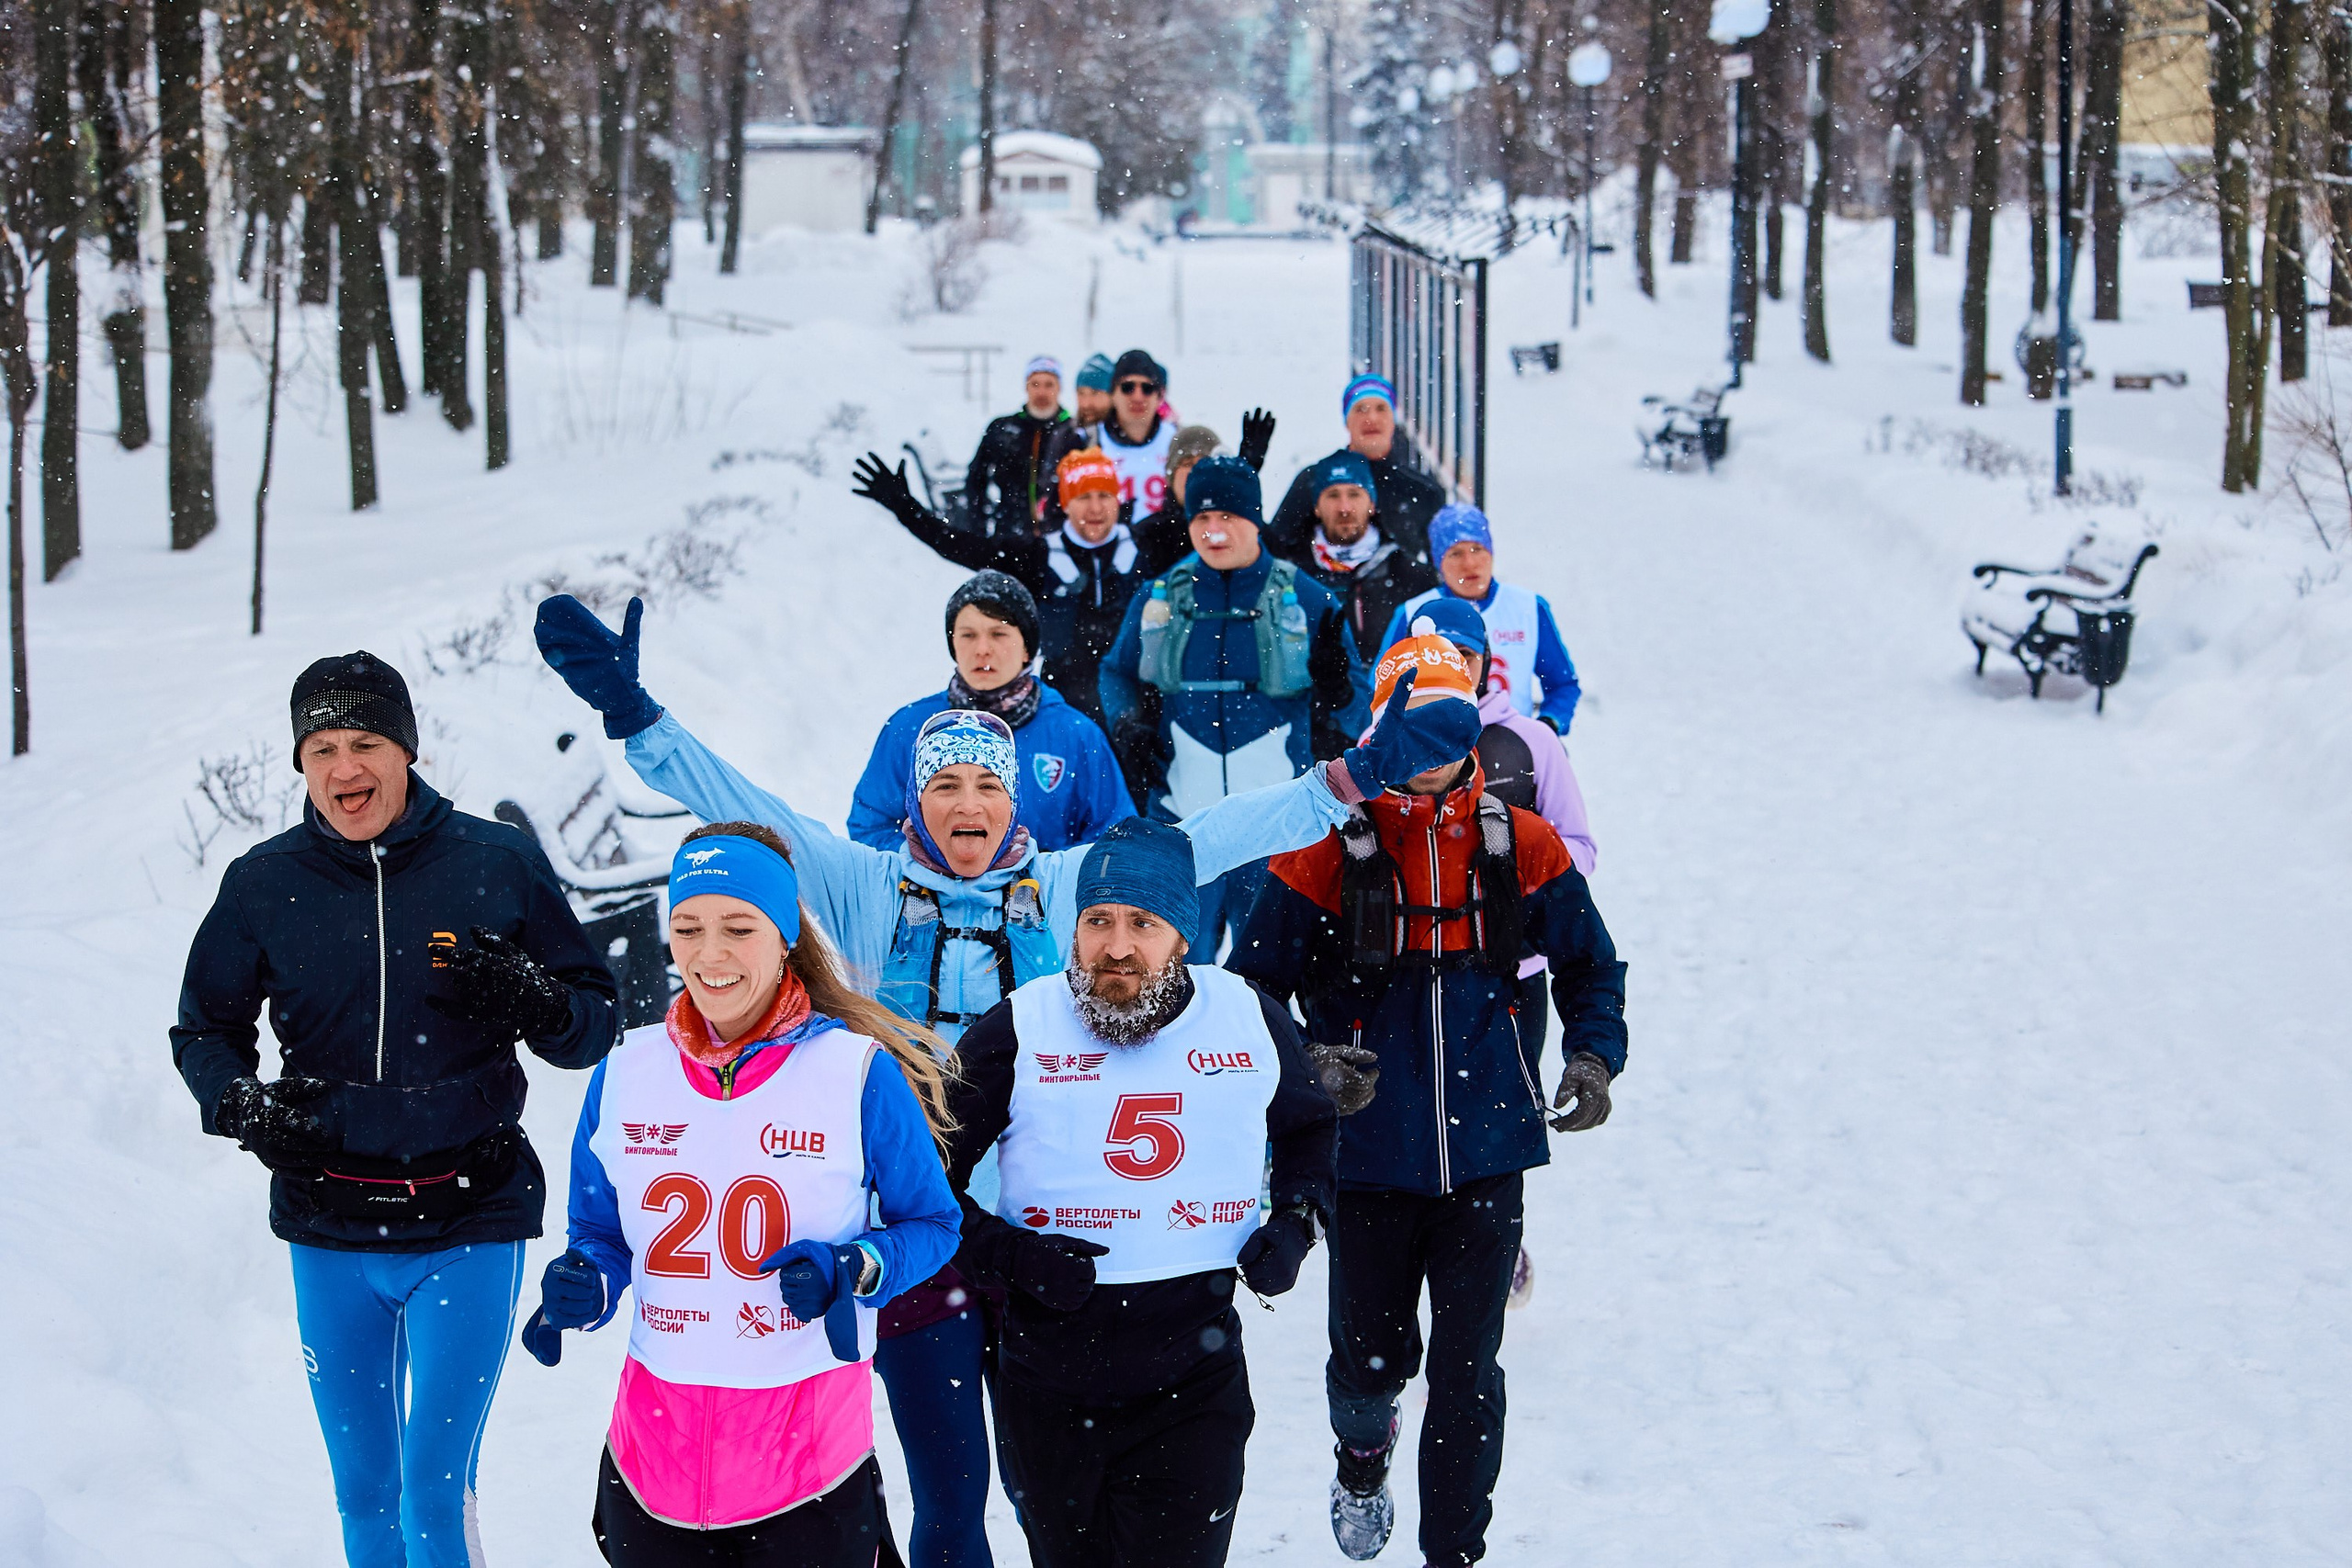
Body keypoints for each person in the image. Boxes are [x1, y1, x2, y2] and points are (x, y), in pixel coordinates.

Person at [531, 592, 1477, 1564]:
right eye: (943, 787)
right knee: (948, 1501)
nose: (967, 805)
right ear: (915, 800)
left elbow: (1214, 837)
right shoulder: (865, 887)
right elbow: (747, 809)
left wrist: (1349, 779)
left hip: (1047, 1248)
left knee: (1051, 1505)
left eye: (987, 786)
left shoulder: (1068, 888)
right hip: (917, 1242)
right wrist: (636, 720)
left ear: (1015, 798)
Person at [169, 651, 622, 1568]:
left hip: (469, 1215)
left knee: (431, 1490)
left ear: (406, 751)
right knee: (365, 1495)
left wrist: (535, 1001)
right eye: (323, 746)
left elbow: (593, 1021)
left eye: (367, 742)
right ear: (301, 763)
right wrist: (243, 1105)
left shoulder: (494, 863)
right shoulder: (264, 884)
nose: (346, 768)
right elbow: (203, 1031)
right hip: (330, 1225)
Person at [1227, 623, 1628, 1568]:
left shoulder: (1519, 842)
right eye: (1411, 736)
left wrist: (1593, 1059)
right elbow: (1248, 990)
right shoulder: (1328, 847)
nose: (1432, 759)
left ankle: (1455, 1552)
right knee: (1367, 1368)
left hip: (1488, 1150)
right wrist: (1307, 1069)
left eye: (1448, 735)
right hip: (1364, 1157)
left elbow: (1590, 964)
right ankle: (1360, 1460)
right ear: (1379, 736)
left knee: (1466, 1374)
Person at [521, 823, 962, 1564]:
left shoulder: (855, 1072)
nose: (709, 953)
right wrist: (587, 1283)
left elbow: (935, 1224)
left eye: (738, 926)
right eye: (688, 927)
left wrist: (851, 1265)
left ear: (784, 932)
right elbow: (600, 1232)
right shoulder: (626, 1069)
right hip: (650, 1471)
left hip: (807, 1477)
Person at [942, 819, 1338, 1568]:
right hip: (1047, 1381)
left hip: (1193, 1376)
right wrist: (1013, 1255)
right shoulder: (1020, 1027)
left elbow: (1309, 1129)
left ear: (1182, 937)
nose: (1116, 947)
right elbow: (928, 1182)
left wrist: (1294, 1221)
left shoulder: (1249, 1016)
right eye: (1098, 921)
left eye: (1142, 924)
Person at [1097, 456, 1372, 951]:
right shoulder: (1160, 596)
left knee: (1266, 987)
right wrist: (1125, 725)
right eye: (1202, 518)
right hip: (1183, 828)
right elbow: (1115, 671)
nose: (1214, 530)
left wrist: (1340, 691)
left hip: (1278, 832)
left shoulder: (1308, 600)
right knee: (1175, 979)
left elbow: (1363, 714)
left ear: (1255, 519)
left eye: (1228, 516)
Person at [854, 447, 1144, 731]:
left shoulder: (1146, 547)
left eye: (1104, 496)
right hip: (1065, 704)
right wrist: (906, 507)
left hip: (1135, 706)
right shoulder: (1039, 555)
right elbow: (961, 546)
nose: (1096, 508)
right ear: (1066, 503)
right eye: (1084, 497)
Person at [847, 570, 1132, 852]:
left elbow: (1115, 837)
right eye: (968, 635)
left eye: (998, 633)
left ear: (1027, 650)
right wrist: (931, 867)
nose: (982, 648)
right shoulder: (910, 727)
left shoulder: (1077, 735)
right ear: (953, 645)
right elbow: (871, 826)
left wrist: (1038, 876)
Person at [1381, 503, 1583, 733]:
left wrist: (1548, 725)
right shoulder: (1413, 612)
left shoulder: (1528, 607)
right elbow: (1380, 688)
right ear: (1439, 562)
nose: (1470, 563)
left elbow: (1563, 685)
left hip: (1511, 748)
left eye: (1477, 549)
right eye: (1455, 553)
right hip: (1437, 753)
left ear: (1491, 553)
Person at [1267, 374, 1449, 564]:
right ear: (1346, 421)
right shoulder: (1315, 480)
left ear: (1393, 419)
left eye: (1381, 408)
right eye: (1360, 409)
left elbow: (1444, 567)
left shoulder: (1423, 491)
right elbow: (1273, 550)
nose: (1371, 418)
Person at [1279, 450, 1440, 652]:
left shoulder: (1411, 576)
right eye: (1333, 495)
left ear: (1372, 505)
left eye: (1354, 494)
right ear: (1316, 507)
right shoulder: (1291, 572)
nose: (1344, 508)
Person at [965, 354, 1071, 537]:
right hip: (1009, 533)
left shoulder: (1073, 432)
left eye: (1049, 384)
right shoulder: (1002, 428)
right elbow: (976, 477)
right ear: (1026, 387)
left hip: (1059, 537)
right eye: (1035, 384)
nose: (1042, 392)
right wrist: (978, 527)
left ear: (1059, 388)